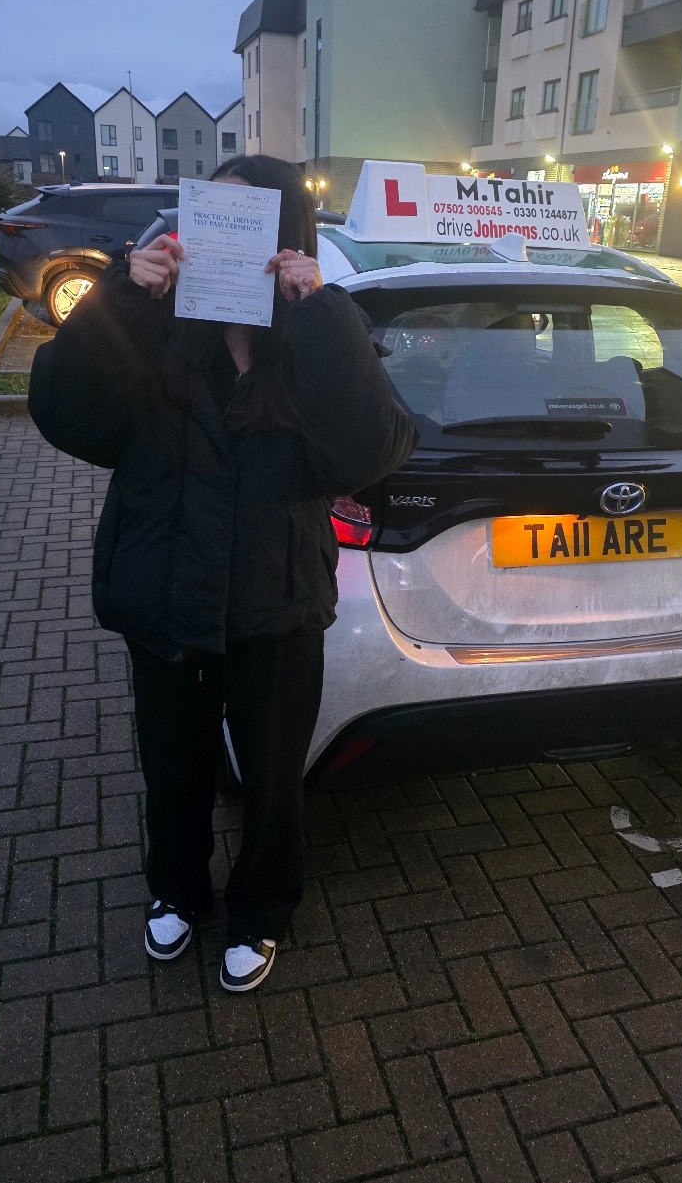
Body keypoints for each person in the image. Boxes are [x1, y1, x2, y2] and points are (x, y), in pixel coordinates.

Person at [28, 155, 416, 992]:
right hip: (167, 587)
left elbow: (370, 450)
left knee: (275, 776)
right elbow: (63, 411)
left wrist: (322, 316)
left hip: (274, 600)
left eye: (247, 217)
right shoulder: (160, 328)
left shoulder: (309, 339)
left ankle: (262, 908)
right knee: (172, 762)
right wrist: (123, 298)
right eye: (210, 212)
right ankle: (175, 888)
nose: (222, 230)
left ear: (284, 236)